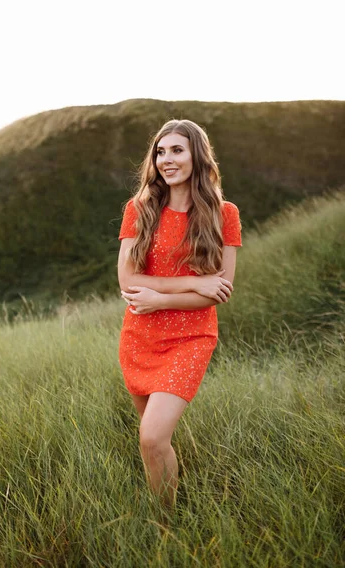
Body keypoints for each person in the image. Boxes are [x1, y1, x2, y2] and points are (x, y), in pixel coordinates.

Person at [117, 119, 242, 510]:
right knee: (152, 437)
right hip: (140, 335)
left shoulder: (224, 214)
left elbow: (217, 292)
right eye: (160, 152)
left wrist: (163, 297)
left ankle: (166, 522)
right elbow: (127, 278)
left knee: (152, 436)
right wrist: (192, 284)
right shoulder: (139, 209)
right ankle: (165, 510)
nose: (166, 159)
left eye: (176, 150)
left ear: (197, 156)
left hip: (191, 338)